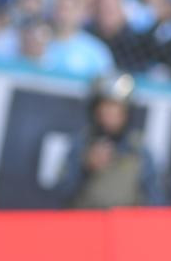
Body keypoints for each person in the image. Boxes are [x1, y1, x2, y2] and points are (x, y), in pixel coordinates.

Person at [55, 73, 164, 209]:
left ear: (126, 112)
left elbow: (157, 201)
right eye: (105, 107)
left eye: (116, 107)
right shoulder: (81, 144)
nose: (110, 115)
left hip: (124, 226)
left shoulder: (139, 150)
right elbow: (61, 195)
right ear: (95, 111)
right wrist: (85, 168)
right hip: (83, 224)